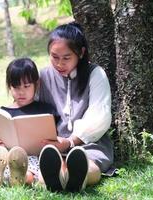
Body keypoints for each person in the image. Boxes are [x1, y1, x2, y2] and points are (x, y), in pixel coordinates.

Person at [37, 22, 113, 193]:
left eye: (66, 58)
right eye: (54, 57)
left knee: (89, 167)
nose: (59, 64)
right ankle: (55, 179)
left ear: (81, 53)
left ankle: (74, 178)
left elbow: (99, 116)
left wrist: (71, 142)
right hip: (52, 148)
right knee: (45, 174)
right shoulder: (43, 76)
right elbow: (27, 109)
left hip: (88, 145)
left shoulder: (96, 74)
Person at [0, 57, 59, 189]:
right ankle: (4, 175)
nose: (21, 92)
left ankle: (15, 177)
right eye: (16, 87)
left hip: (34, 158)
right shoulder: (2, 113)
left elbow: (53, 137)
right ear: (9, 86)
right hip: (7, 157)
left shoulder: (46, 110)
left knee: (32, 174)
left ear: (37, 84)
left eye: (27, 86)